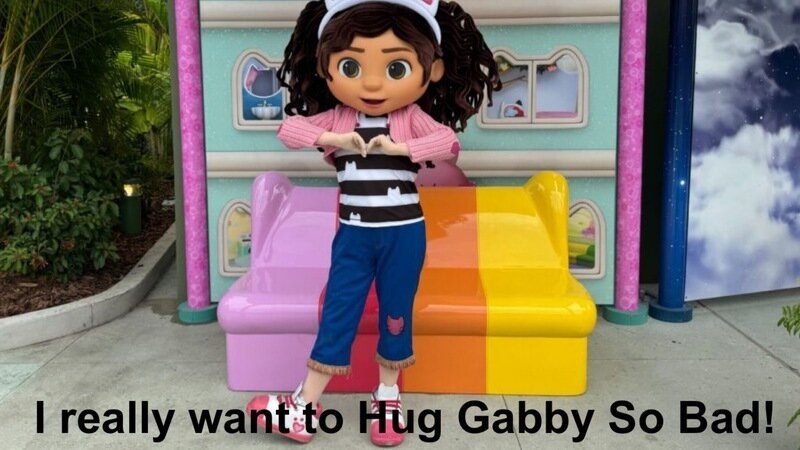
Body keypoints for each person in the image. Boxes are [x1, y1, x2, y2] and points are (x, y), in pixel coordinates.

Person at [247, 0, 499, 445]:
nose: (372, 82)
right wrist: (334, 137)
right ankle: (304, 406)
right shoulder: (339, 117)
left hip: (404, 236)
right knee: (339, 311)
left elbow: (448, 143)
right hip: (354, 237)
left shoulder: (410, 119)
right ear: (325, 67)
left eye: (396, 68)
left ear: (433, 70)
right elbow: (290, 131)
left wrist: (400, 148)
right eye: (350, 66)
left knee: (396, 313)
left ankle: (387, 398)